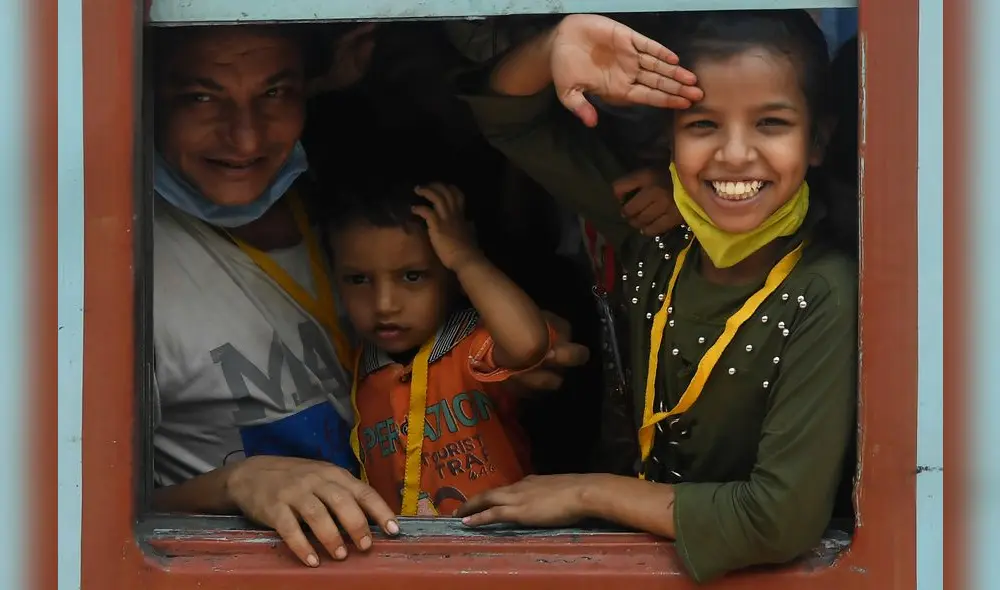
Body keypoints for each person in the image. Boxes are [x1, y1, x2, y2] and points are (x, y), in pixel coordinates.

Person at [147, 24, 590, 568]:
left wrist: (506, 331)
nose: (246, 138)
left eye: (274, 92)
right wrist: (236, 484)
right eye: (200, 96)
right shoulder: (118, 275)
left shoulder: (345, 215)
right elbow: (75, 512)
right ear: (146, 98)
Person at [455, 11, 858, 582]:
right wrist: (556, 45)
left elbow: (776, 520)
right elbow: (511, 121)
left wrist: (587, 492)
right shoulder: (657, 231)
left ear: (817, 139)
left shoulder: (824, 290)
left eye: (770, 123)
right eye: (702, 126)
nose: (734, 154)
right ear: (667, 140)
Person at [329, 180, 558, 517]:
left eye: (412, 276)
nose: (384, 304)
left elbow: (528, 345)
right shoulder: (354, 365)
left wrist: (465, 257)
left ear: (452, 277)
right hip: (401, 561)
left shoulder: (470, 347)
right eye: (358, 280)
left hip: (500, 551)